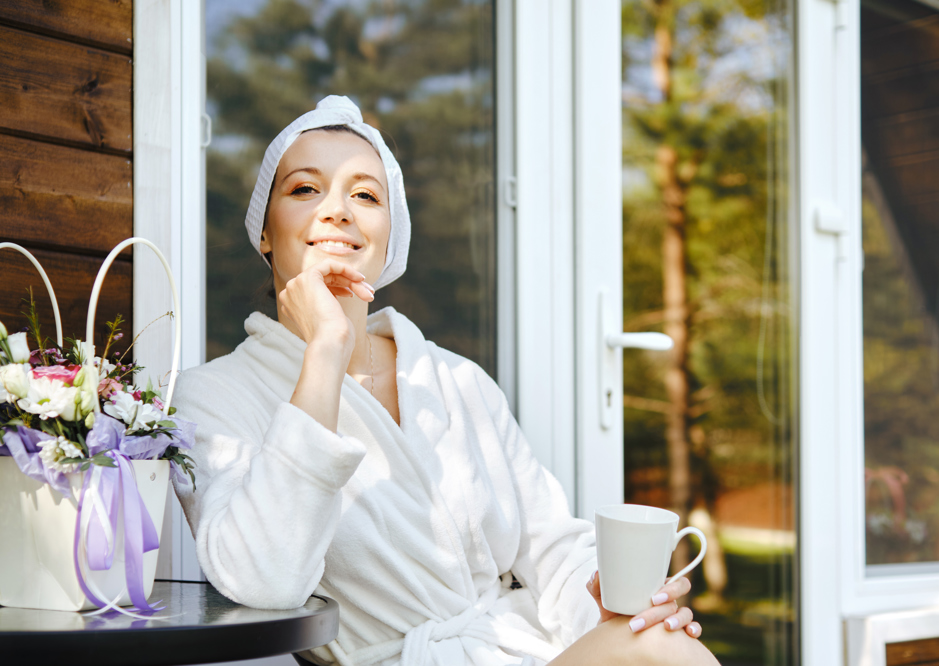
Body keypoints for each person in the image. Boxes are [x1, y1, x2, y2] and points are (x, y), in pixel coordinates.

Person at [173, 96, 720, 666]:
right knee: (660, 652)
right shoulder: (212, 397)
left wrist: (605, 601)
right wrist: (326, 353)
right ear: (265, 232)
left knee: (654, 636)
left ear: (389, 239)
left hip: (521, 651)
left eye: (365, 194)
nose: (338, 210)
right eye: (305, 189)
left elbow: (554, 548)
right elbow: (265, 579)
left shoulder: (457, 381)